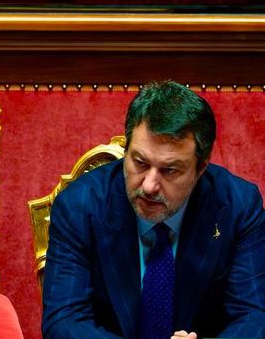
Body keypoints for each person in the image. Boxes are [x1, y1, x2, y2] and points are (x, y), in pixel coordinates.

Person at [42, 81, 265, 339]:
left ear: (201, 168)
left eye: (170, 170)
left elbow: (255, 317)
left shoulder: (237, 206)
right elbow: (63, 322)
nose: (148, 186)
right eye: (140, 162)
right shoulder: (80, 206)